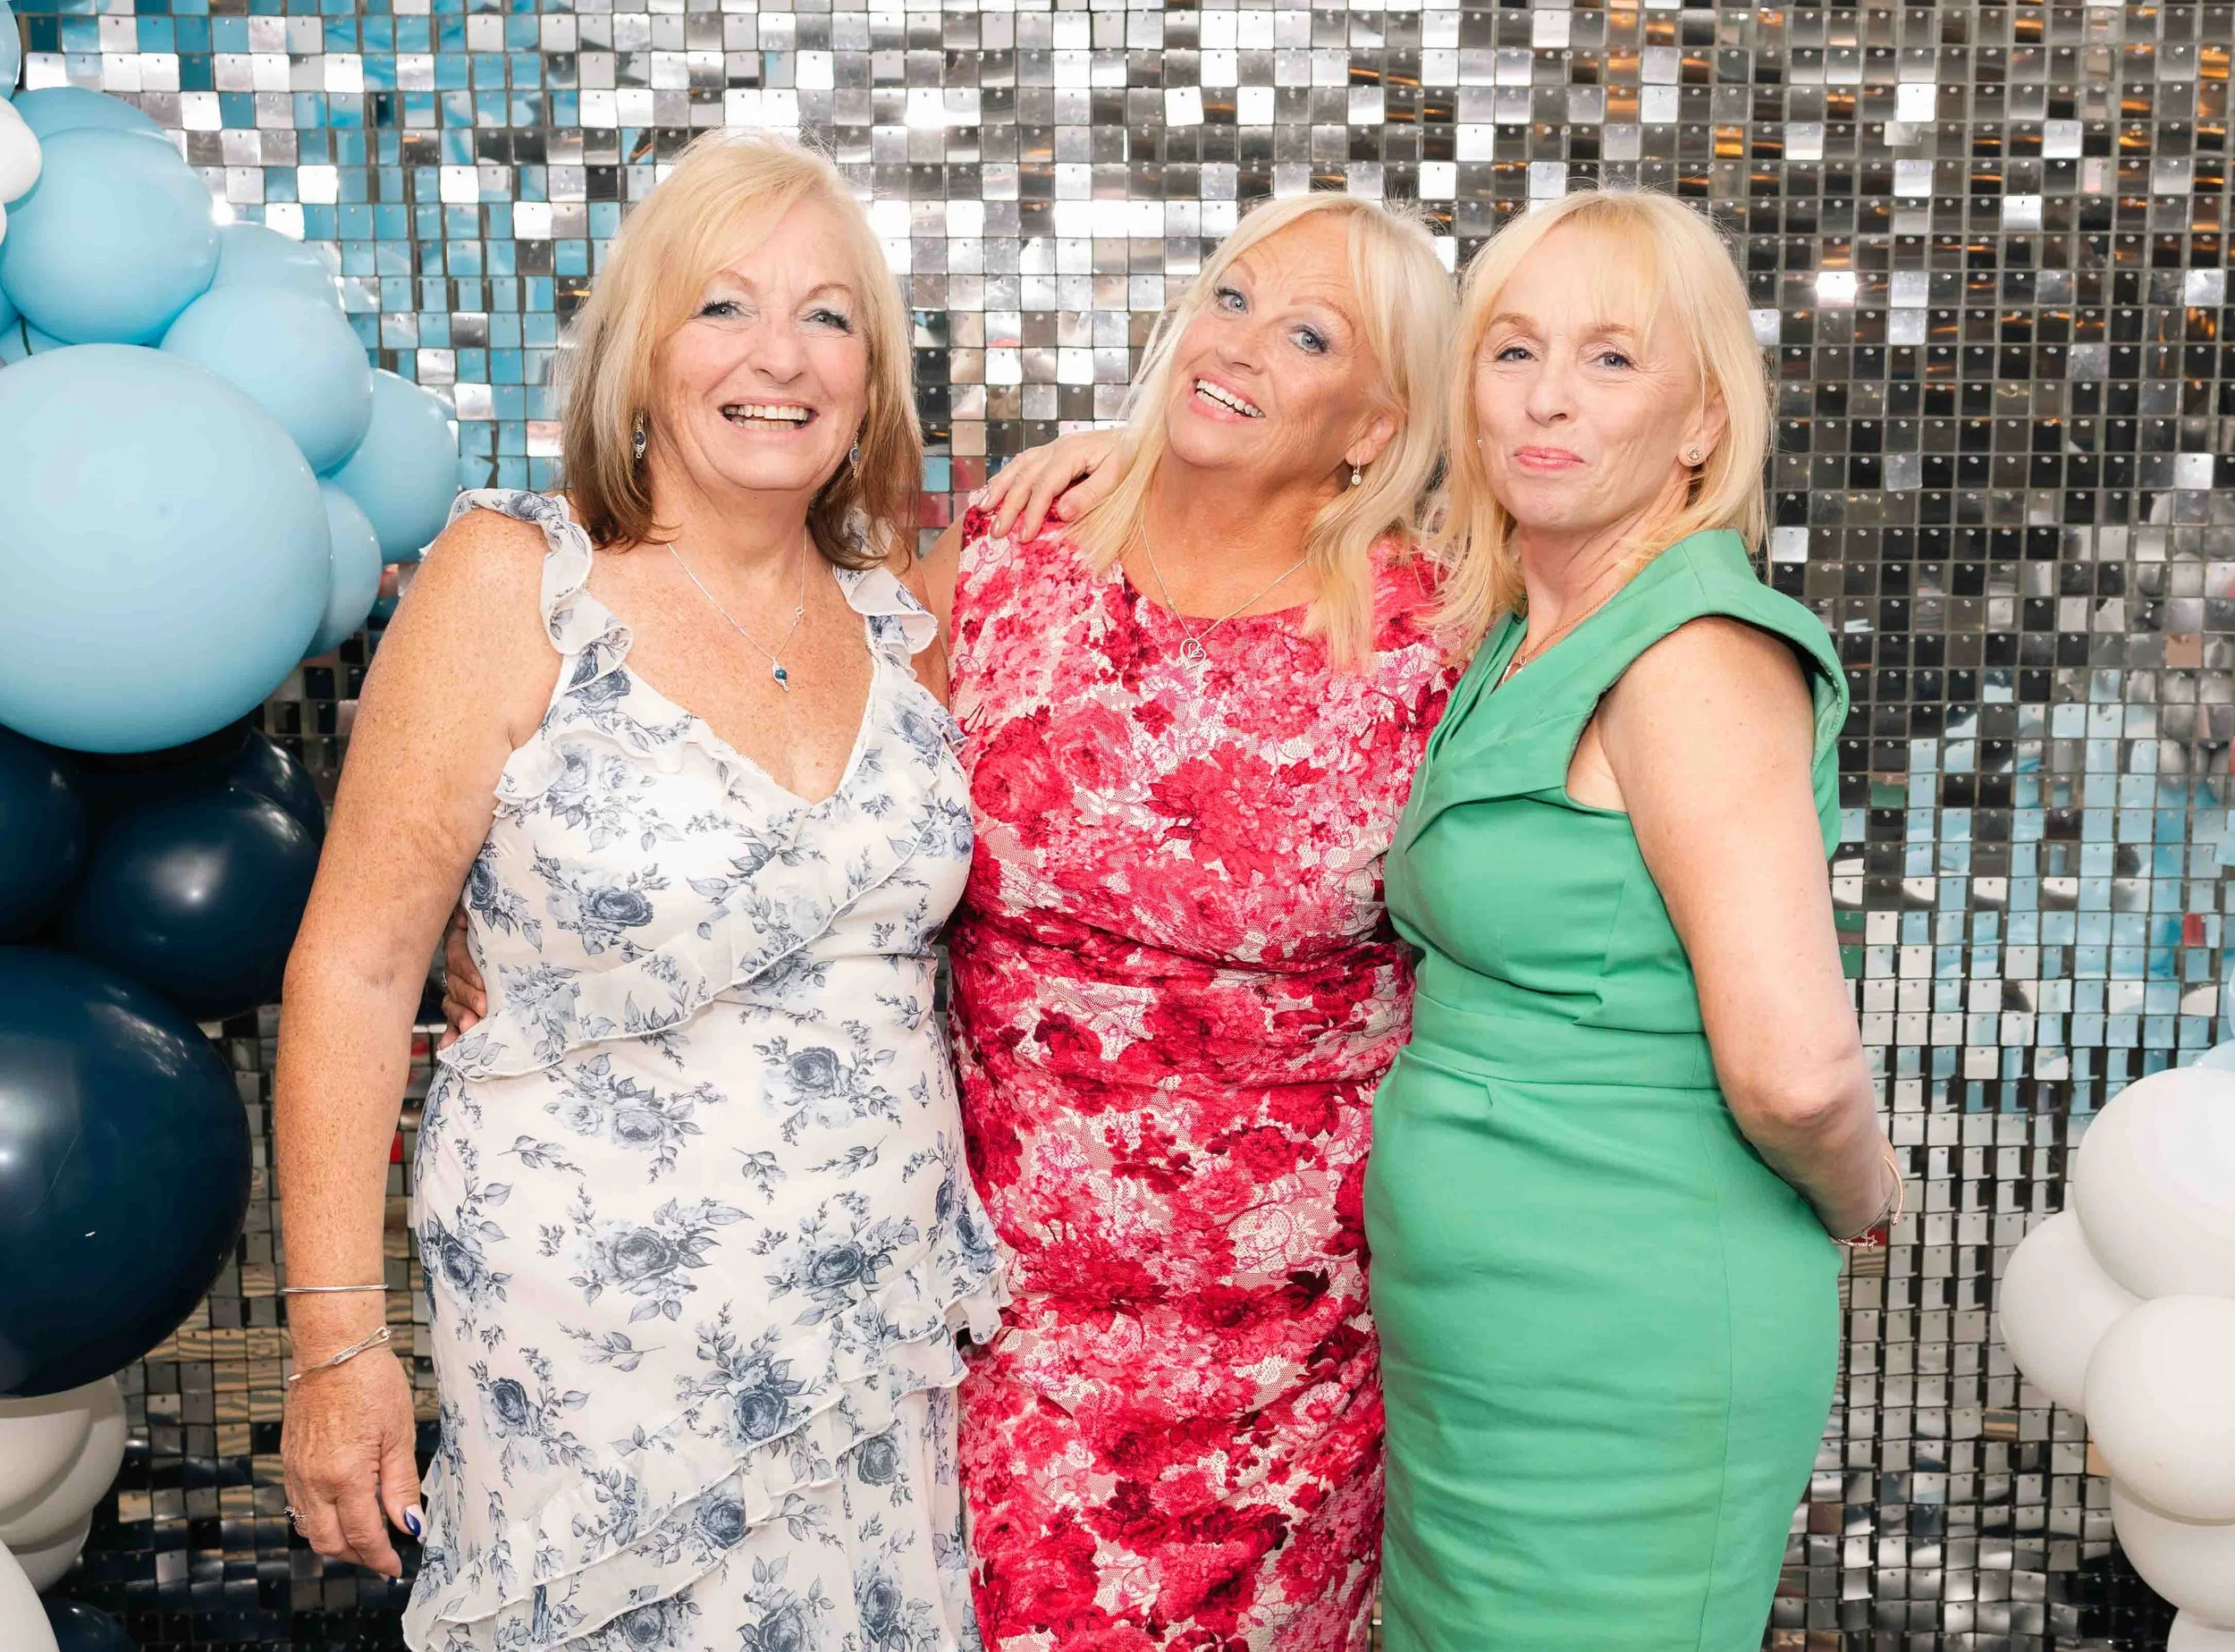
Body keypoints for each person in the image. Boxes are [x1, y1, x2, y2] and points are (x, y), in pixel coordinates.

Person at [274, 131, 1003, 1652]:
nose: (779, 357)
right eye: (722, 307)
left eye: (830, 314)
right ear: (639, 351)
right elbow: (351, 968)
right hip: (587, 1365)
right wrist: (337, 1342)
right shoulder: (512, 583)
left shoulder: (908, 619)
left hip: (872, 1349)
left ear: (873, 372)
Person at [1363, 189, 1902, 1651]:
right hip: (1486, 1351)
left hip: (1625, 1348)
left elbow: (1796, 1069)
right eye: (1511, 351)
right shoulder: (1530, 625)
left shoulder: (1697, 657)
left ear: (1703, 422)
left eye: (1611, 359)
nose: (1547, 399)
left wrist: (1862, 1194)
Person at [930, 192, 1456, 1650]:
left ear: (1373, 423)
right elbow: (842, 827)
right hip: (1006, 1317)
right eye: (1230, 298)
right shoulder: (1012, 548)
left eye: (1308, 336)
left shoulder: (1441, 635)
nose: (1238, 347)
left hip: (1294, 1354)